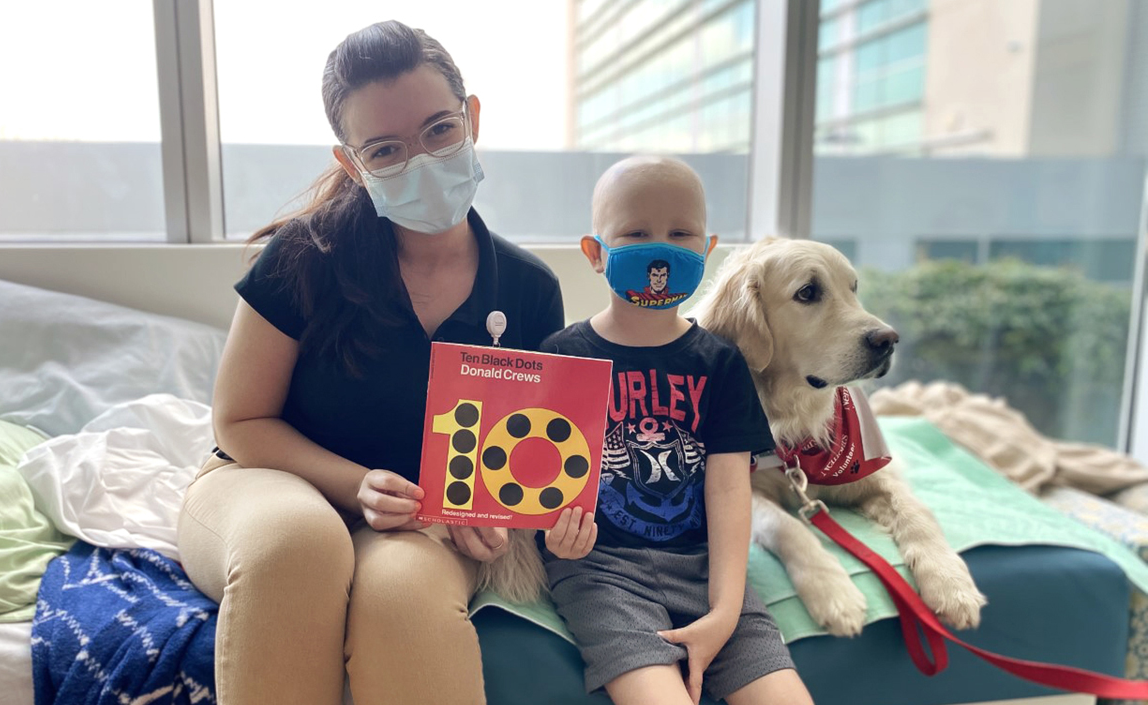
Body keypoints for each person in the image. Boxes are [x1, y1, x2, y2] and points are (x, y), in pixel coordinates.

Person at [176, 20, 564, 705]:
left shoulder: (530, 290)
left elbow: (522, 458)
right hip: (266, 478)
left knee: (403, 597)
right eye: (386, 149)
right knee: (298, 545)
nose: (421, 161)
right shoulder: (303, 257)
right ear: (352, 162)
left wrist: (497, 513)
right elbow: (240, 420)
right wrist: (358, 484)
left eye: (440, 129)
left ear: (472, 118)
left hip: (422, 518)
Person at [539, 156, 813, 705]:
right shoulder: (560, 357)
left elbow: (730, 487)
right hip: (602, 574)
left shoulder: (721, 363)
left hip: (706, 569)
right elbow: (540, 476)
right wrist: (554, 537)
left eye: (680, 232)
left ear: (705, 250)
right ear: (595, 254)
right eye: (636, 233)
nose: (659, 248)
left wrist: (725, 609)